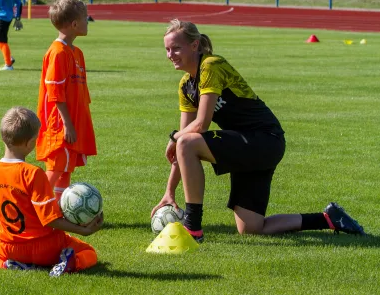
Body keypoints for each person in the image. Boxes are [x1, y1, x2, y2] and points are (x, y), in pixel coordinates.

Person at [151, 19, 365, 242]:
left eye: (176, 47)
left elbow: (200, 126)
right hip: (248, 146)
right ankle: (329, 219)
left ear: (194, 45)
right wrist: (169, 192)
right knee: (252, 227)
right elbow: (184, 139)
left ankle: (193, 227)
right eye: (167, 49)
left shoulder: (211, 65)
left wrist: (174, 137)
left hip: (264, 139)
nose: (170, 54)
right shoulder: (186, 85)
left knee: (187, 142)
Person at [0, 107, 102, 276]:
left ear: (3, 137)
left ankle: (4, 264)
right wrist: (83, 230)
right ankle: (72, 263)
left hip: (10, 247)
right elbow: (49, 220)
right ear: (30, 143)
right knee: (89, 253)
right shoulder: (33, 173)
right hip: (47, 248)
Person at [36, 0, 96, 200]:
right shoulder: (58, 53)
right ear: (74, 24)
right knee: (56, 166)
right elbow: (55, 93)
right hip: (60, 124)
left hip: (73, 121)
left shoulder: (77, 52)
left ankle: (58, 209)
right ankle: (33, 207)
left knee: (66, 169)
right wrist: (67, 124)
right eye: (86, 17)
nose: (88, 21)